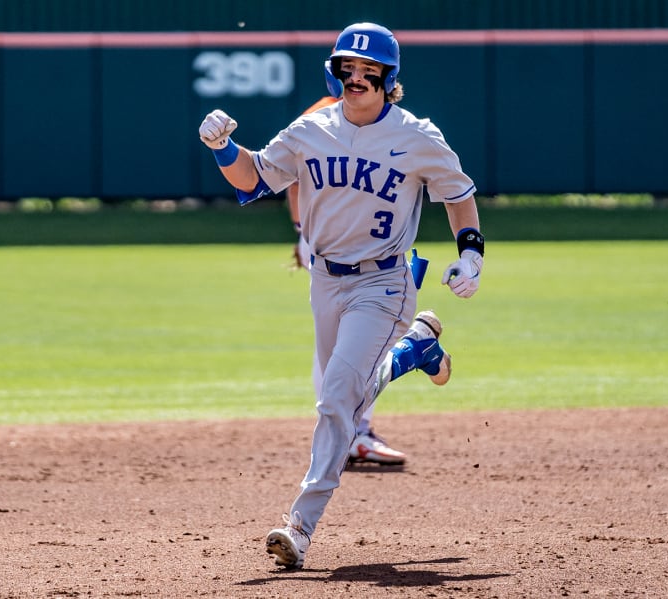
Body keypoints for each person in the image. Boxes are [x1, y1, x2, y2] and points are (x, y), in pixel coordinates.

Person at [198, 22, 484, 570]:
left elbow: (458, 193)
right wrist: (223, 148)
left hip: (384, 281)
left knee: (335, 398)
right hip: (325, 280)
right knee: (348, 396)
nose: (355, 77)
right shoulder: (312, 129)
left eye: (367, 69)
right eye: (346, 67)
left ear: (388, 77)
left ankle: (299, 526)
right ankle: (416, 350)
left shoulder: (417, 136)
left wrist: (471, 253)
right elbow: (254, 179)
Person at [287, 95, 407, 466]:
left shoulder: (367, 119)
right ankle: (353, 432)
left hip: (351, 241)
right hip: (333, 242)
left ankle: (347, 431)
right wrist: (303, 231)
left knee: (350, 338)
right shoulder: (323, 115)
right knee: (353, 339)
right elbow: (290, 175)